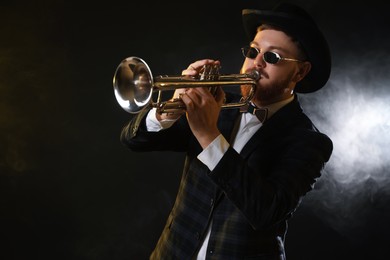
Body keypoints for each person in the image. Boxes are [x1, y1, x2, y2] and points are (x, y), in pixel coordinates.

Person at [120, 2, 333, 259]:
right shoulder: (213, 104)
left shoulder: (310, 142)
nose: (256, 64)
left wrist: (208, 135)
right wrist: (168, 109)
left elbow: (266, 212)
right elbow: (133, 140)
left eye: (272, 57)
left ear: (300, 71)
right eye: (253, 51)